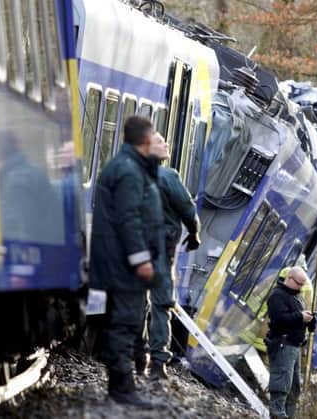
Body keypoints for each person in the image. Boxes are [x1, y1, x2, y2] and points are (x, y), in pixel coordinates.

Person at [89, 116, 165, 407]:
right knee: (124, 323)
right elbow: (128, 219)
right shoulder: (130, 172)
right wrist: (141, 259)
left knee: (125, 323)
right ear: (145, 142)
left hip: (120, 263)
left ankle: (123, 385)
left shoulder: (129, 167)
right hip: (123, 266)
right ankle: (121, 389)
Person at [134, 133, 200, 379]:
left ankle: (139, 355)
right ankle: (158, 363)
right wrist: (194, 234)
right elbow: (188, 210)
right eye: (161, 142)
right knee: (161, 304)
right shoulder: (168, 177)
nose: (166, 145)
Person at [265, 266, 316, 419]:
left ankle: (289, 416)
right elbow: (278, 319)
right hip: (282, 344)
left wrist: (311, 319)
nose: (300, 287)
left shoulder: (297, 298)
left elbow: (299, 320)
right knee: (281, 386)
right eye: (298, 284)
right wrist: (300, 316)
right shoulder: (277, 295)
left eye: (302, 284)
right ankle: (277, 415)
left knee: (294, 388)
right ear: (289, 278)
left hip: (294, 347)